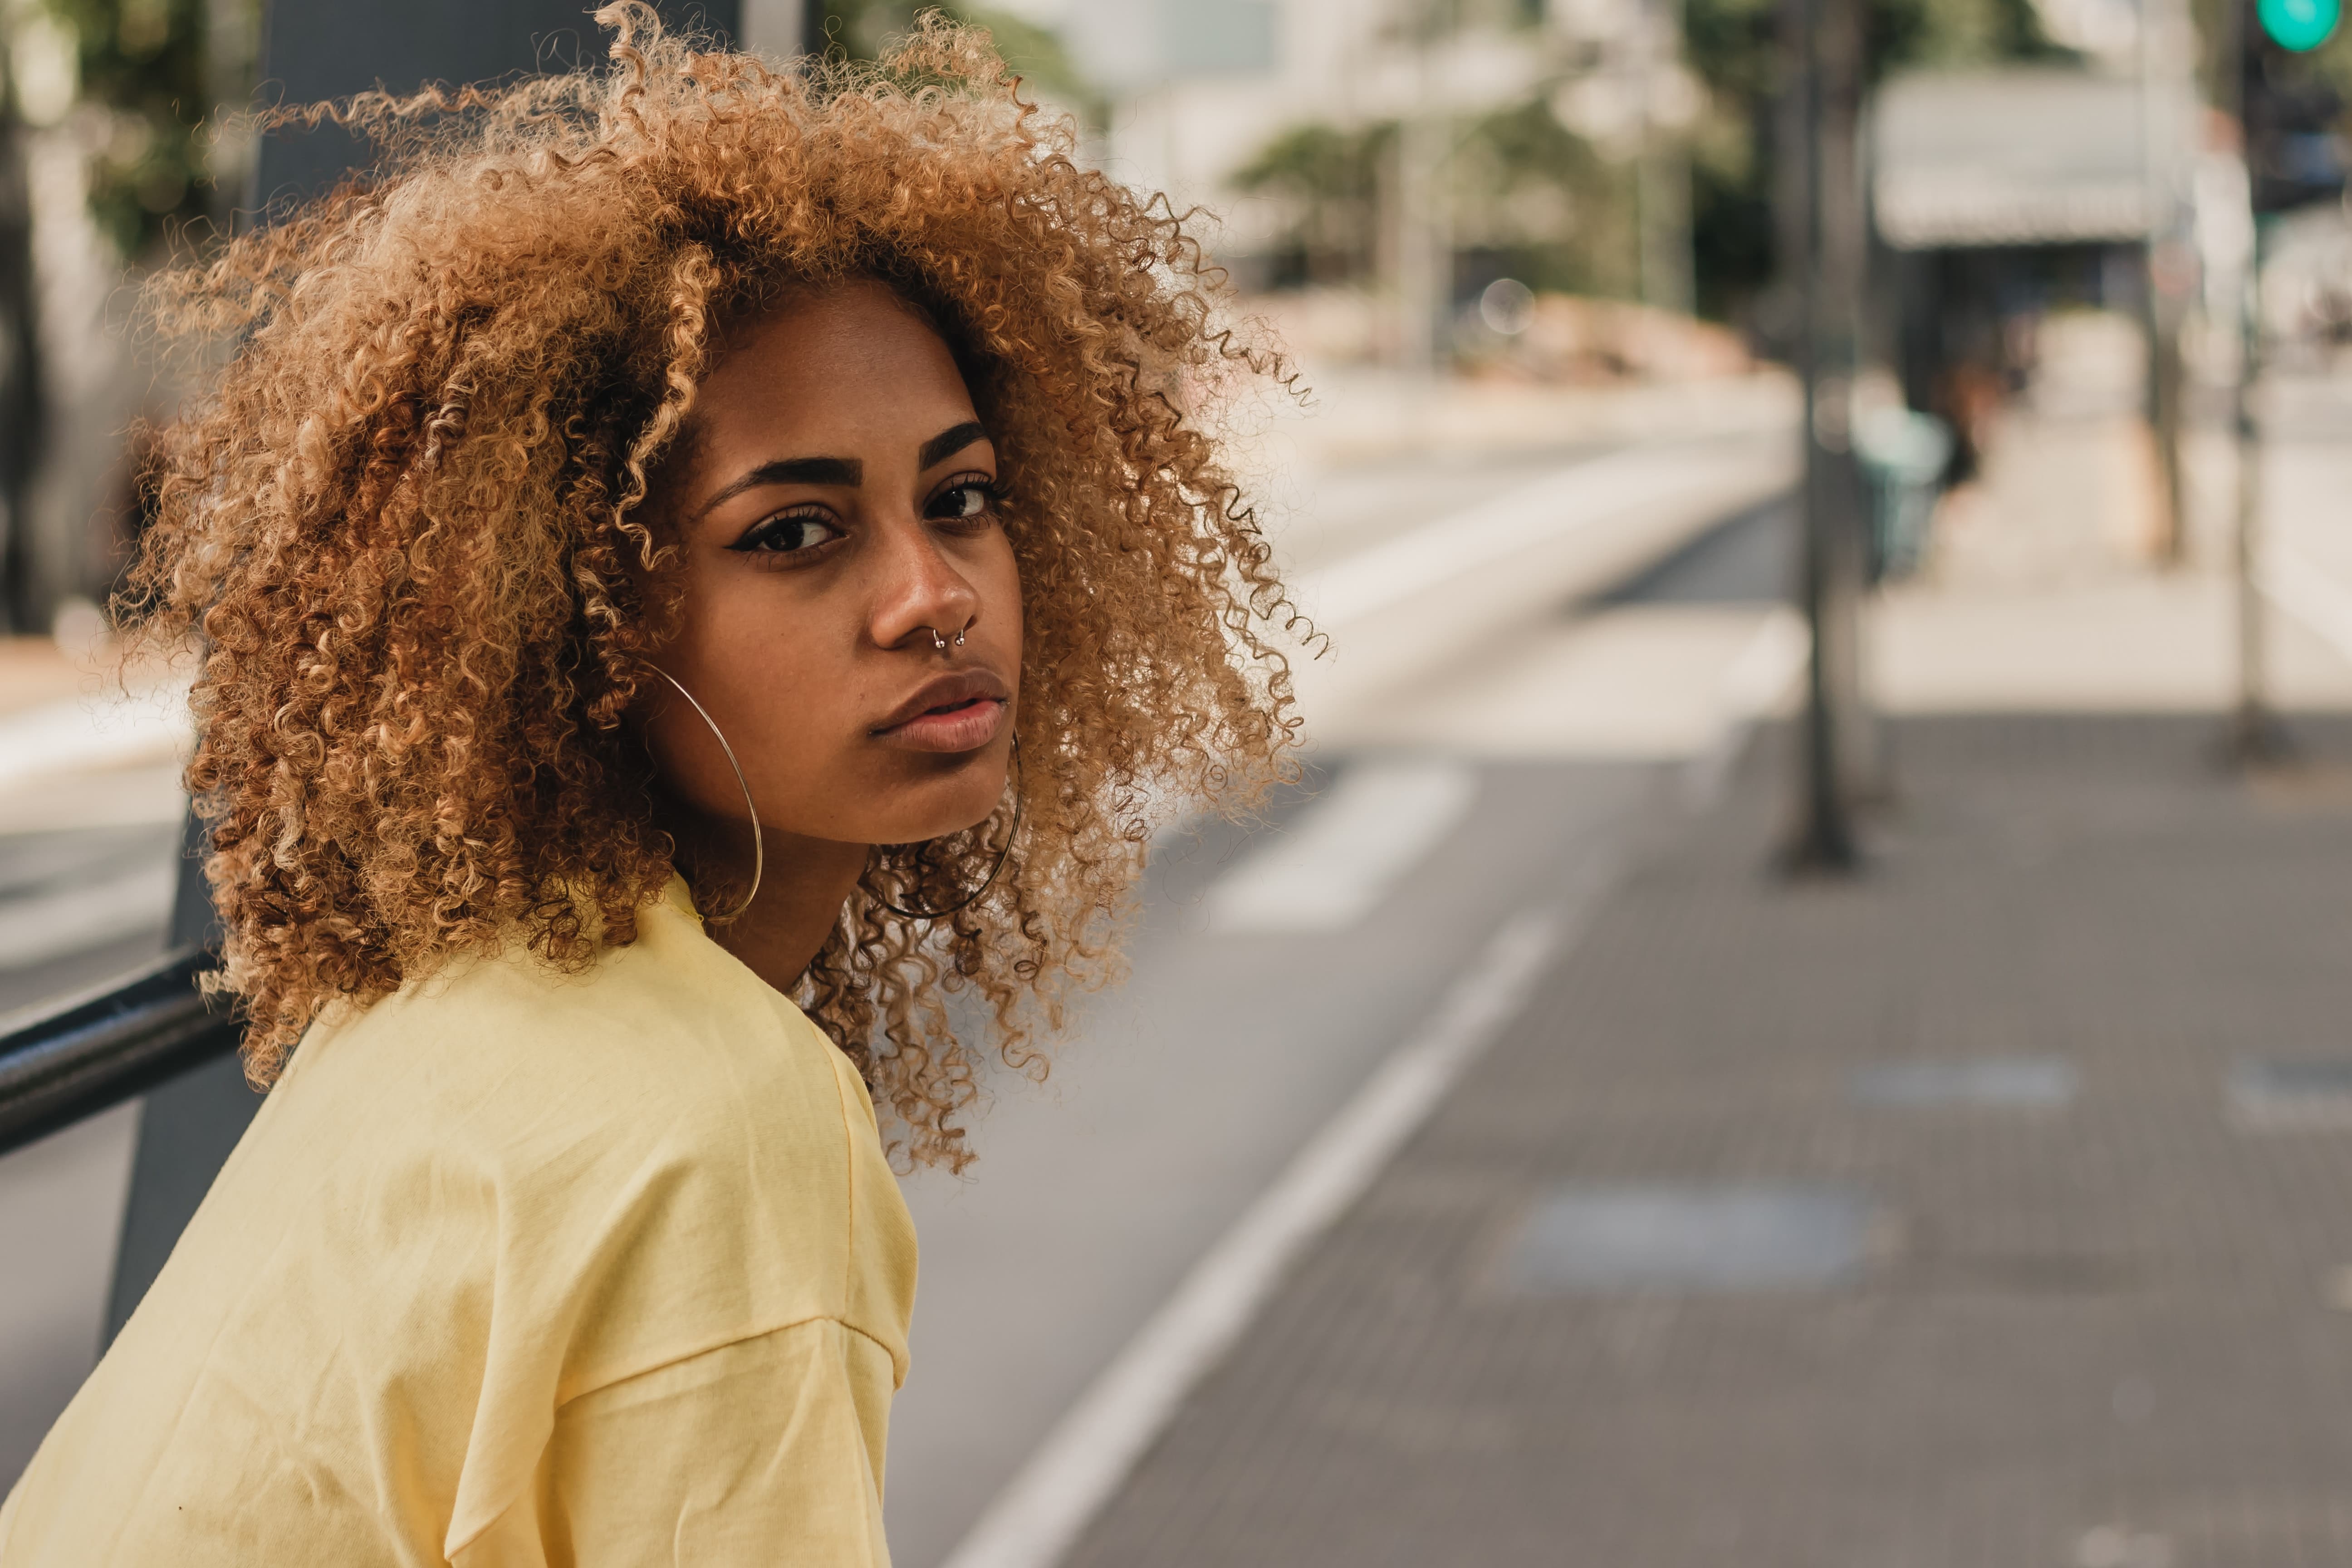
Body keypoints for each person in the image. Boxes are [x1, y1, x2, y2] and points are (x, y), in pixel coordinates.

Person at [0, 8, 1298, 1563]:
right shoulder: (719, 1120)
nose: (933, 596)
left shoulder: (467, 995)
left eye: (962, 500)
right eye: (794, 533)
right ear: (578, 615)